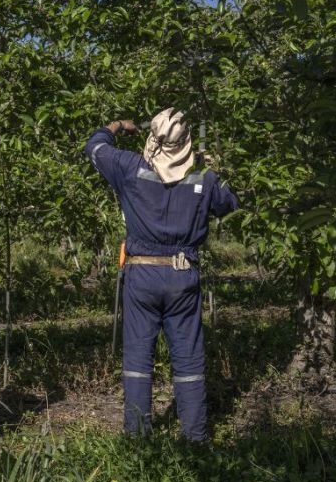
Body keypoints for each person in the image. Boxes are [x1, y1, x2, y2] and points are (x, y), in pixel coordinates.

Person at [85, 108, 238, 442]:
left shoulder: (129, 168)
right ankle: (195, 438)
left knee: (138, 360)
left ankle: (138, 437)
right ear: (187, 145)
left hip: (142, 274)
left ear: (153, 139)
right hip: (183, 275)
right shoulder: (204, 177)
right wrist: (214, 163)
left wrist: (115, 126)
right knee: (188, 359)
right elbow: (229, 203)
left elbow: (94, 146)